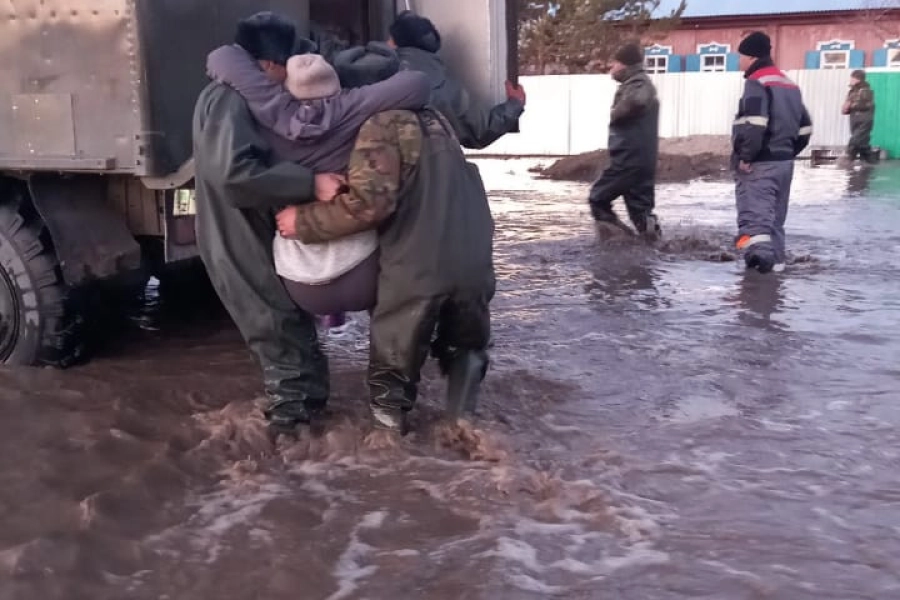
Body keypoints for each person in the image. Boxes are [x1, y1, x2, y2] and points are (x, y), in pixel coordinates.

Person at [276, 104, 495, 435]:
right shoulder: (438, 118)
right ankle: (465, 430)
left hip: (420, 264)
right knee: (467, 346)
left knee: (394, 362)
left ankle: (389, 453)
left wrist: (302, 220)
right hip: (474, 259)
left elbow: (369, 204)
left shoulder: (382, 123)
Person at [193, 12, 341, 432]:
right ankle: (288, 448)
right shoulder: (230, 99)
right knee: (278, 330)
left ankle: (310, 438)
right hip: (237, 234)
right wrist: (310, 184)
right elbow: (233, 174)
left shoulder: (230, 95)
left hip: (246, 229)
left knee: (293, 331)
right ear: (271, 64)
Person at [205, 41, 430, 319]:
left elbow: (221, 55)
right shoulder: (354, 107)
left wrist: (277, 102)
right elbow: (418, 83)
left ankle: (328, 322)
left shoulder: (268, 111)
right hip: (363, 275)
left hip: (300, 283)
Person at [732, 31, 813, 274]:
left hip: (760, 164)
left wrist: (747, 156)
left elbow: (755, 123)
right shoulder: (788, 84)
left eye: (741, 56)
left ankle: (757, 285)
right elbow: (805, 127)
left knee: (755, 224)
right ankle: (776, 277)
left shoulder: (756, 82)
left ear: (751, 57)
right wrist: (787, 152)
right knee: (775, 223)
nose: (739, 62)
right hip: (784, 163)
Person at [387, 10, 526, 150]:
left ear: (395, 42)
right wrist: (514, 104)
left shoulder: (378, 72)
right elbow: (481, 131)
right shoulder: (443, 85)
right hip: (431, 168)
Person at [587, 42, 661, 241]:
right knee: (641, 213)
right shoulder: (638, 83)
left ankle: (620, 241)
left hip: (629, 160)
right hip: (641, 160)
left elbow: (637, 101)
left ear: (626, 65)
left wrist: (617, 112)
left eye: (615, 62)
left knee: (597, 198)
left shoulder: (639, 83)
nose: (611, 66)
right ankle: (655, 249)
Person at [842, 69, 876, 164]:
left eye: (852, 78)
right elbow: (846, 106)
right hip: (854, 120)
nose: (850, 80)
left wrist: (851, 105)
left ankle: (847, 160)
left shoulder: (866, 91)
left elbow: (866, 106)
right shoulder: (851, 92)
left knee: (855, 140)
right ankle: (871, 164)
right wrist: (845, 108)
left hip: (864, 121)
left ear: (858, 79)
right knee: (862, 144)